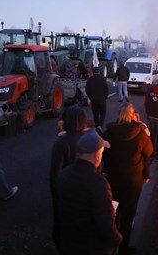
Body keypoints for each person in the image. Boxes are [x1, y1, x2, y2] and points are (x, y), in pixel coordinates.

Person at [56, 130, 122, 255]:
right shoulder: (98, 183)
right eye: (102, 153)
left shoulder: (65, 173)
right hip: (93, 247)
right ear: (97, 156)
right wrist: (117, 239)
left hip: (69, 242)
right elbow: (105, 224)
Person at [103, 103, 153, 255]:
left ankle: (111, 242)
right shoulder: (141, 133)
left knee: (113, 208)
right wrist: (146, 174)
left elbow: (104, 152)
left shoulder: (109, 131)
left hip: (112, 176)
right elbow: (149, 152)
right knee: (129, 211)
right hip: (133, 178)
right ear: (133, 115)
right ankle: (124, 248)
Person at [49, 105, 88, 250]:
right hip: (83, 189)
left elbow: (54, 173)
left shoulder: (61, 143)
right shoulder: (88, 139)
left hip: (65, 191)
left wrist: (56, 194)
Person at [85, 66, 109, 131]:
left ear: (93, 72)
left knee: (95, 114)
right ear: (99, 71)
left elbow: (87, 90)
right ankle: (100, 126)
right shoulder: (103, 79)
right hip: (102, 99)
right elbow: (106, 89)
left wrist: (91, 97)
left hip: (94, 100)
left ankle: (96, 126)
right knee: (103, 113)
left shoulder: (90, 79)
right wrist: (105, 97)